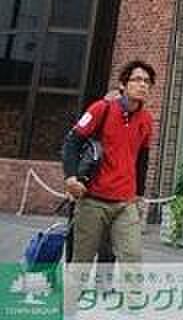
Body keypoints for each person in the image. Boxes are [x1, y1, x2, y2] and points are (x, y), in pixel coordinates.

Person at [62, 60, 155, 267]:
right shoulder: (101, 109)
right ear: (123, 84)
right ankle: (74, 289)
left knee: (132, 259)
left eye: (147, 81)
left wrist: (139, 195)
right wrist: (70, 177)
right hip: (93, 199)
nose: (143, 85)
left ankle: (118, 288)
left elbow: (142, 159)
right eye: (137, 79)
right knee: (81, 262)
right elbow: (72, 142)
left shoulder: (147, 120)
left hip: (125, 203)